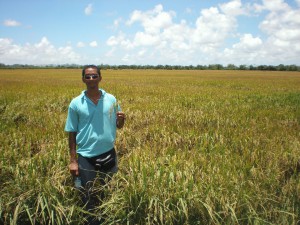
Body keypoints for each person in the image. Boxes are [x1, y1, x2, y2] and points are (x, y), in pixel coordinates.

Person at [65, 65, 125, 224]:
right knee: (87, 194)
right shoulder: (76, 103)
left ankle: (109, 219)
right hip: (86, 156)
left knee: (109, 191)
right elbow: (71, 132)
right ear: (83, 79)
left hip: (109, 152)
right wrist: (73, 160)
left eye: (94, 76)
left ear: (100, 78)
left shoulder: (111, 99)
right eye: (88, 76)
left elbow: (119, 125)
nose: (91, 79)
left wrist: (121, 120)